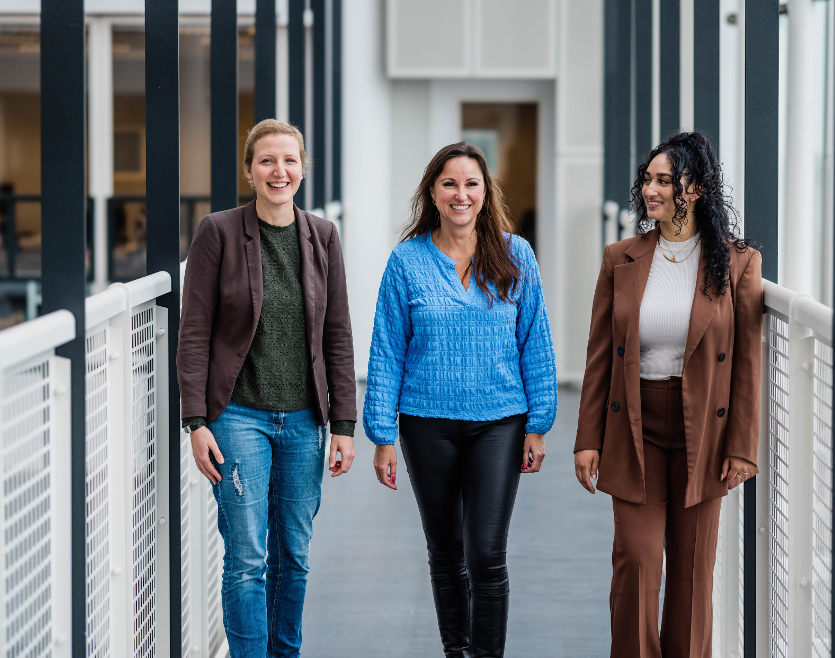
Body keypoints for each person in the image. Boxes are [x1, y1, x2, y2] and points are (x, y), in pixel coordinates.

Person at [363, 142, 557, 658]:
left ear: (485, 192)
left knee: (487, 553)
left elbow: (534, 340)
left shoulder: (516, 254)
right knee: (446, 553)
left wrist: (538, 423)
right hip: (426, 424)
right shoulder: (406, 261)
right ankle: (459, 652)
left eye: (472, 184)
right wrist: (383, 436)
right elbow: (386, 349)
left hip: (500, 421)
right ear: (433, 191)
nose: (461, 194)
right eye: (450, 183)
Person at [573, 131, 762, 657]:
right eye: (648, 180)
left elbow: (747, 359)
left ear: (695, 189)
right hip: (635, 425)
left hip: (705, 430)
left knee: (692, 574)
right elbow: (598, 356)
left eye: (664, 180)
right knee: (635, 561)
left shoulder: (737, 262)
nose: (650, 190)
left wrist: (743, 445)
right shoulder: (622, 258)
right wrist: (587, 438)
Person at [177, 118, 357, 658]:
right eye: (267, 161)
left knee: (294, 553)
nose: (279, 171)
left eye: (289, 161)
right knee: (248, 557)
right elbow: (195, 330)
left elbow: (338, 333)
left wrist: (344, 425)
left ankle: (286, 653)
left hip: (305, 420)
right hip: (238, 418)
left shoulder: (323, 236)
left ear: (302, 169)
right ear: (250, 171)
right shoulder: (219, 232)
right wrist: (195, 421)